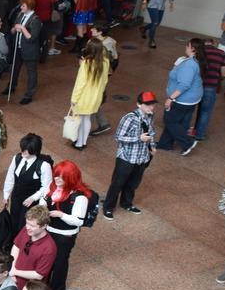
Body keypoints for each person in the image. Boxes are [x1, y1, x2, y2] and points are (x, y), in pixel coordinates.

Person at [103, 91, 157, 221]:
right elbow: (118, 137)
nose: (151, 107)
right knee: (117, 184)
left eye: (152, 104)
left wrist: (152, 145)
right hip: (126, 158)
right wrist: (139, 138)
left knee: (133, 184)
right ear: (139, 104)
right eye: (147, 104)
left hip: (142, 157)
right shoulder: (129, 118)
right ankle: (108, 207)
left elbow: (151, 132)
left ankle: (126, 203)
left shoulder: (150, 116)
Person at [43, 162, 91, 290]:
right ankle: (42, 289)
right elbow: (44, 198)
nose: (56, 179)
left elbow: (79, 221)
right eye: (55, 176)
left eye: (61, 177)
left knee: (59, 264)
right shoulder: (52, 187)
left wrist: (61, 215)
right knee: (46, 261)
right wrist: (43, 205)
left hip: (64, 235)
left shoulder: (79, 197)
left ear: (70, 178)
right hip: (48, 230)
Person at [156, 38, 205, 156]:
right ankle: (165, 144)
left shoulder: (189, 65)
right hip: (193, 98)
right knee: (174, 120)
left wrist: (171, 98)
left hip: (183, 99)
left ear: (193, 49)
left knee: (170, 120)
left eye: (187, 45)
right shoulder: (197, 61)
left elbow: (184, 85)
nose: (186, 47)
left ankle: (187, 143)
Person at [2, 133, 52, 233]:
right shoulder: (17, 158)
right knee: (13, 221)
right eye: (23, 148)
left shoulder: (43, 166)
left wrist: (33, 198)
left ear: (35, 150)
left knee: (23, 225)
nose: (24, 151)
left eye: (27, 149)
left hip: (31, 200)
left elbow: (47, 187)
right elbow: (10, 177)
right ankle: (14, 241)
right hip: (16, 196)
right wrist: (6, 194)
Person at [66, 38, 110, 151]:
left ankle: (79, 143)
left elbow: (80, 83)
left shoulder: (86, 63)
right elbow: (105, 80)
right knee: (87, 119)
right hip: (96, 97)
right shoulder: (105, 62)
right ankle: (84, 141)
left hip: (84, 97)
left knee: (80, 120)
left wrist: (74, 98)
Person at [10, 205, 56, 290]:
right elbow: (16, 246)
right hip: (13, 280)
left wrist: (15, 272)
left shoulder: (49, 248)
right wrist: (12, 268)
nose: (28, 227)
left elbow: (39, 275)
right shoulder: (27, 229)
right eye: (27, 223)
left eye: (32, 226)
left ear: (44, 226)